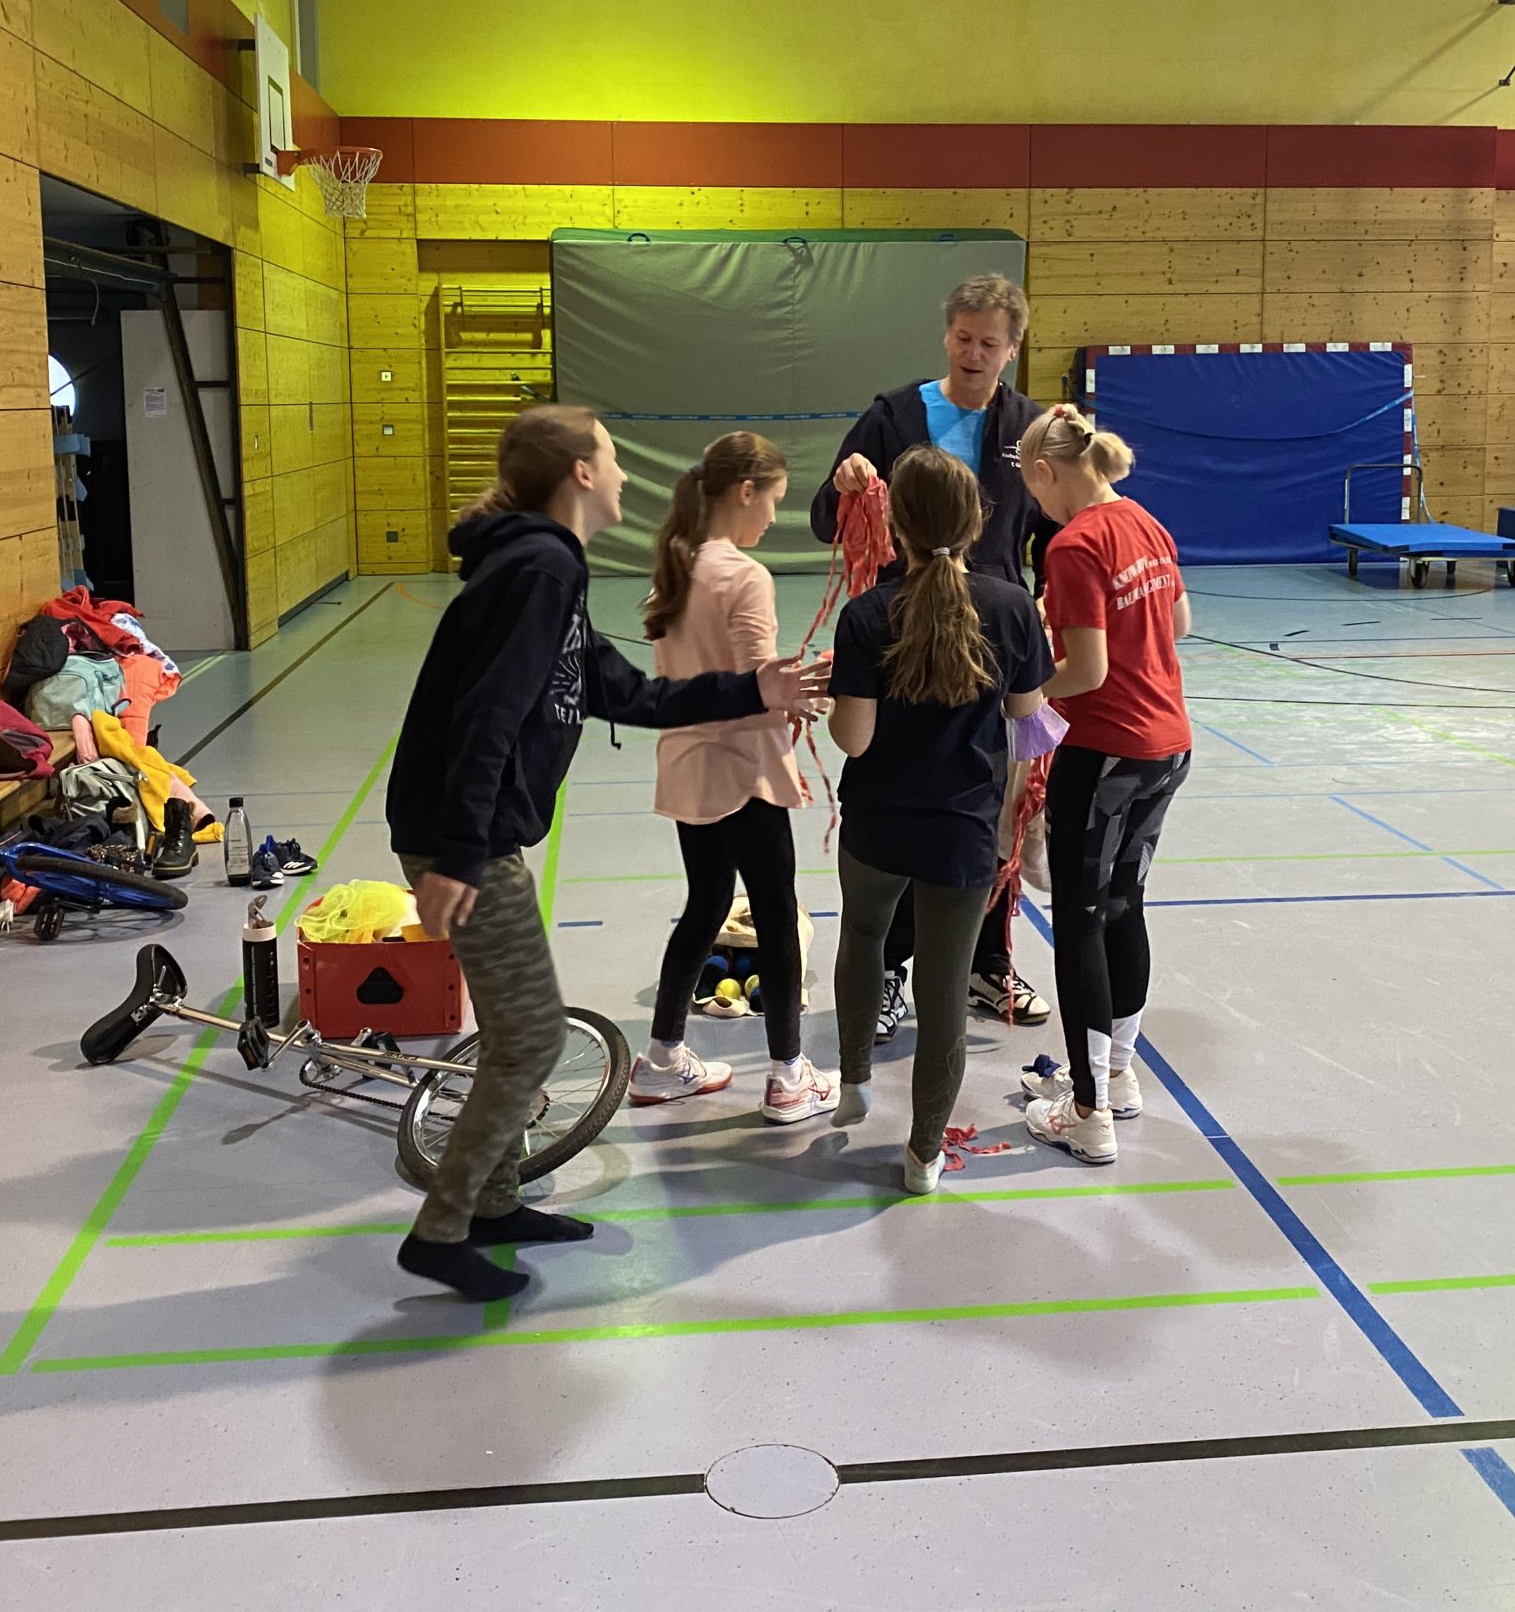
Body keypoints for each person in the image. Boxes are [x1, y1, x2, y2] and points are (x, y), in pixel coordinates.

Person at [384, 405, 826, 1301]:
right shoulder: (539, 565)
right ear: (581, 473)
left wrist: (755, 686)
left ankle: (494, 1204)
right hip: (464, 837)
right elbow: (488, 713)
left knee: (518, 1034)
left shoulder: (548, 566)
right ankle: (441, 1230)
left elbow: (626, 694)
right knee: (532, 1037)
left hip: (469, 830)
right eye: (614, 458)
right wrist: (459, 855)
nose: (625, 474)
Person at [812, 273, 1054, 1036]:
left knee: (995, 812)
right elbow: (826, 519)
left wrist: (1054, 603)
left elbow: (1057, 526)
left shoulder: (1031, 427)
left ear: (1013, 348)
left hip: (996, 641)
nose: (974, 353)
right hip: (908, 643)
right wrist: (846, 485)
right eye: (963, 338)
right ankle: (890, 969)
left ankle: (987, 962)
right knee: (909, 805)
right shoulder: (894, 416)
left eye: (990, 343)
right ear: (946, 335)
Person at [827, 446, 1052, 1194]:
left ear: (895, 523)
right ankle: (924, 1153)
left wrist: (841, 697)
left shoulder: (867, 614)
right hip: (963, 828)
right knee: (945, 987)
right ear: (977, 521)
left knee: (864, 936)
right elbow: (1028, 715)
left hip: (877, 822)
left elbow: (854, 740)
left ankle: (854, 1079)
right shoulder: (1012, 608)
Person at [630, 432, 840, 1124]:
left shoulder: (675, 567)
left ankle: (663, 1060)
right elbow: (757, 686)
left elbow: (720, 680)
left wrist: (788, 691)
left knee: (706, 902)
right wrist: (809, 694)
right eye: (773, 500)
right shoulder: (744, 576)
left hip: (689, 767)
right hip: (742, 769)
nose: (774, 517)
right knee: (776, 911)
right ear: (745, 492)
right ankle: (788, 1077)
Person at [1011, 406, 1192, 1168]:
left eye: (1035, 492)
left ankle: (1087, 1114)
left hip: (1106, 753)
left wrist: (1022, 694)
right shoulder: (1145, 522)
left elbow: (1085, 673)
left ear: (1046, 472)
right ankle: (1118, 1077)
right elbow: (1178, 623)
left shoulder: (1074, 543)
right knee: (1124, 906)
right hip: (1168, 747)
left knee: (1080, 922)